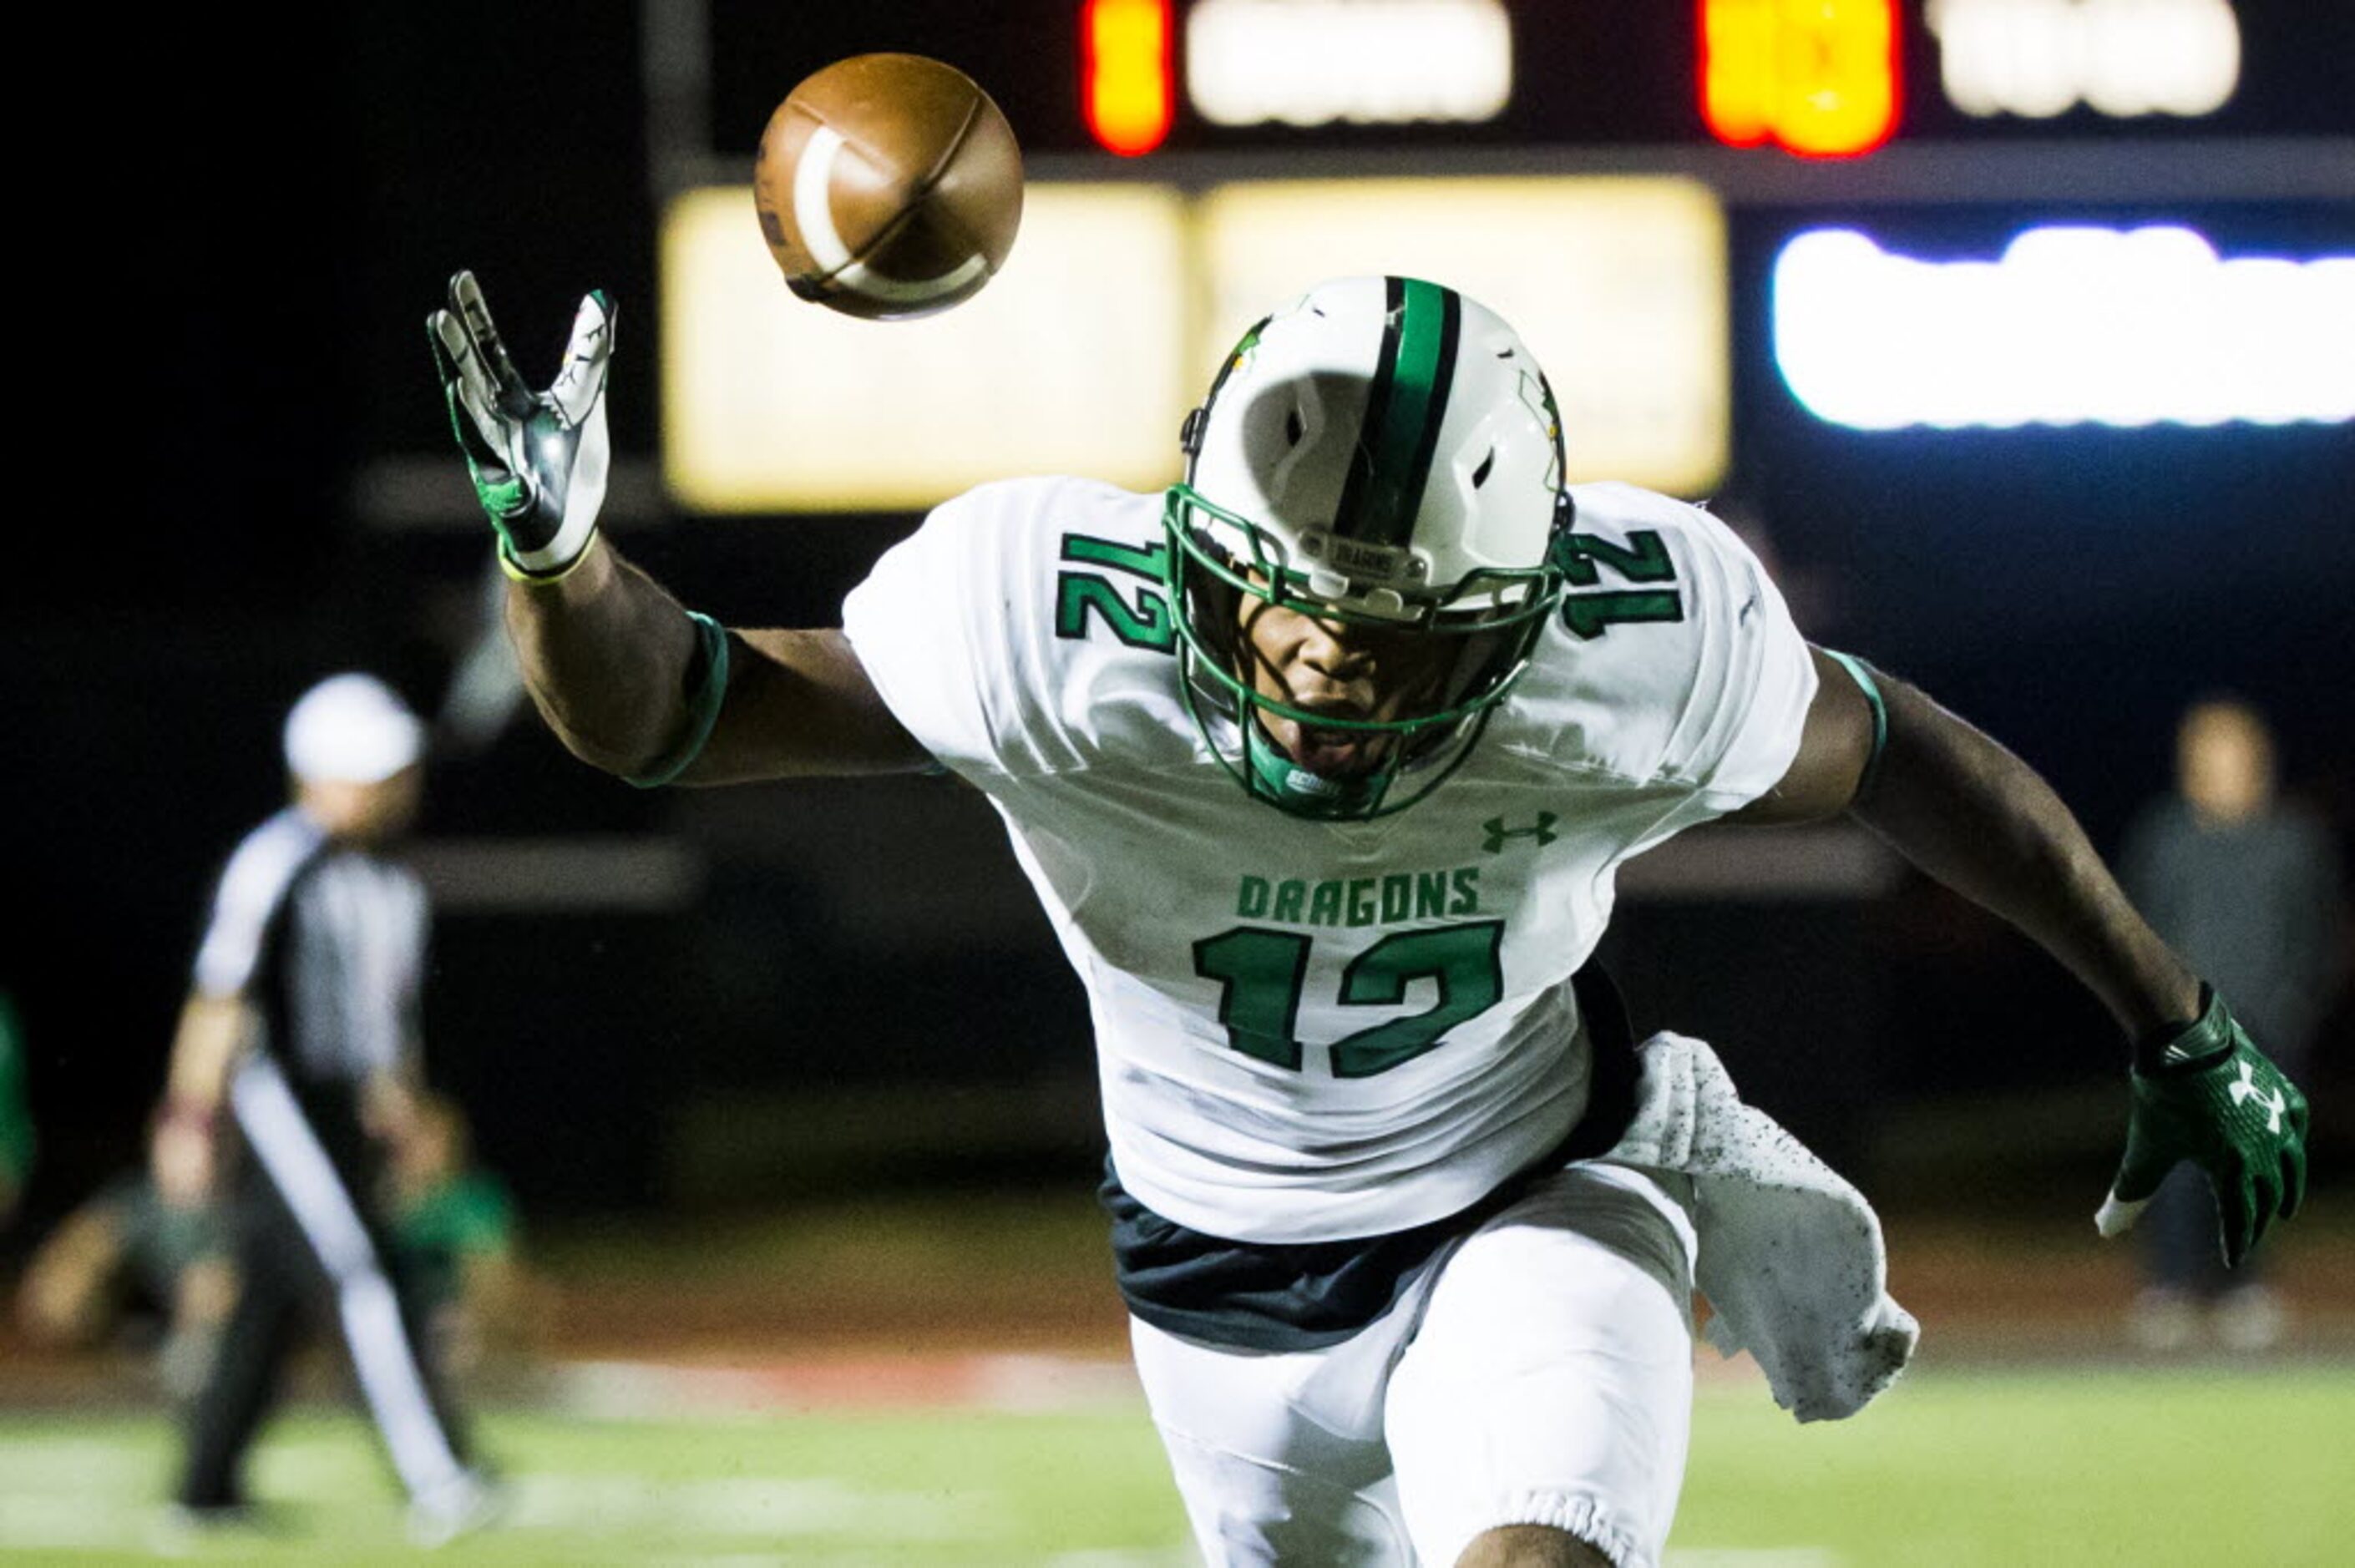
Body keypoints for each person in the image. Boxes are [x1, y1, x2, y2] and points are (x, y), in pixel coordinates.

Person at [429, 271, 2309, 1568]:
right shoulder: (1052, 634)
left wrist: (2174, 1016)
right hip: (1214, 1268)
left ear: (1521, 610)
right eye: (1289, 604)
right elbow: (669, 708)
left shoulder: (1630, 649)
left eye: (1406, 632)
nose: (1331, 661)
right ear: (1193, 560)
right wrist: (558, 559)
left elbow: (1905, 751)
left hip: (1531, 1184)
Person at [154, 672, 495, 1544]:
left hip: (345, 1103)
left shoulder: (392, 879)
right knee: (362, 1276)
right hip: (280, 1097)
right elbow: (221, 998)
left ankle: (204, 1486)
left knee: (270, 1297)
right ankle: (439, 1473)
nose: (394, 787)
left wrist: (406, 1109)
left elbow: (386, 1020)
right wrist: (190, 1119)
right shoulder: (276, 861)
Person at [2117, 697, 2342, 1351]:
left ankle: (2246, 1288)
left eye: (2234, 755)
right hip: (2182, 1031)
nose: (2222, 769)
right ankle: (2172, 1289)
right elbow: (2134, 927)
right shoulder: (2165, 837)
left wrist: (2294, 1003)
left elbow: (2319, 934)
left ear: (2258, 762)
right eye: (2208, 757)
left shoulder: (2293, 840)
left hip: (2266, 1032)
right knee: (2179, 1164)